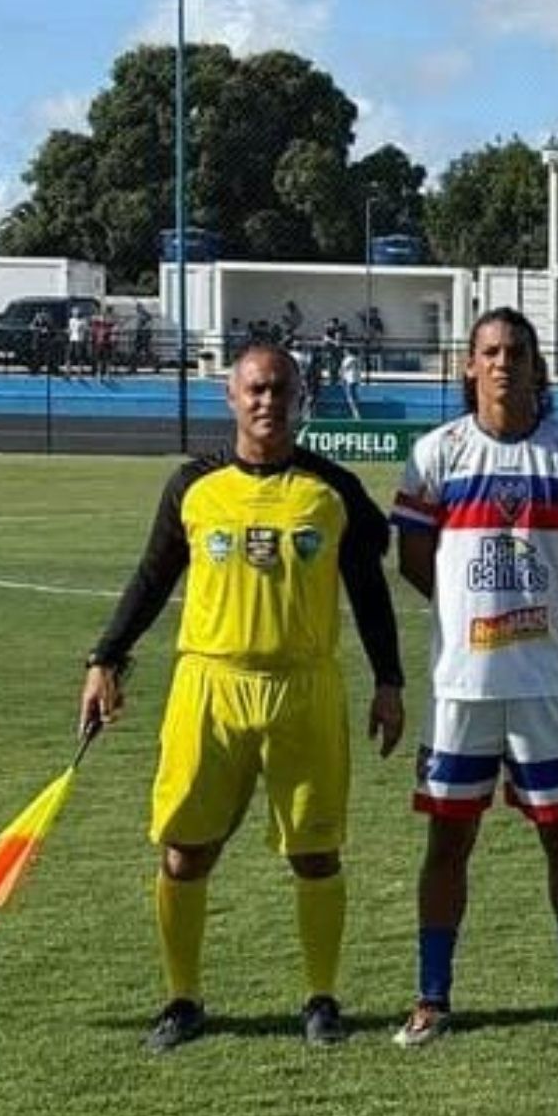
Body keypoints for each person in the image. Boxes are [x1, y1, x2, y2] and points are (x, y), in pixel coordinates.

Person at [77, 343, 405, 1052]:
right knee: (185, 851)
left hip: (304, 688)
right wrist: (105, 658)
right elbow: (152, 577)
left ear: (300, 398)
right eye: (255, 389)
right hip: (210, 686)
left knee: (315, 853)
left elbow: (369, 590)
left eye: (281, 390)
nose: (268, 402)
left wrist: (389, 681)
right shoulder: (193, 486)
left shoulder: (333, 489)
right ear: (231, 397)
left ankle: (321, 998)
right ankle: (182, 999)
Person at [389, 308, 558, 1047]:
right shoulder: (437, 454)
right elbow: (413, 560)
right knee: (448, 843)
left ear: (535, 364)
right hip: (461, 686)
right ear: (469, 364)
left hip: (545, 684)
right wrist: (466, 616)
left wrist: (543, 609)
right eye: (489, 351)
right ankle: (432, 997)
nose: (502, 363)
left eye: (516, 352)